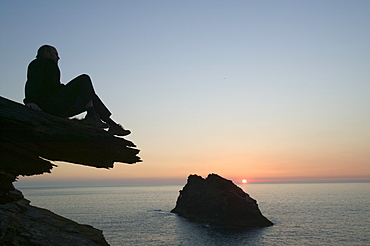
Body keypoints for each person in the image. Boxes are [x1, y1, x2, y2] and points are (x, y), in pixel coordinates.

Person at [24, 45, 131, 136]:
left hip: (57, 106)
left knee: (90, 96)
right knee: (84, 79)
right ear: (46, 53)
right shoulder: (40, 63)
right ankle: (91, 115)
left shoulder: (50, 67)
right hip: (48, 106)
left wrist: (69, 90)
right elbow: (33, 81)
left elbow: (53, 87)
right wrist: (30, 100)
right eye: (56, 54)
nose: (58, 57)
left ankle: (111, 124)